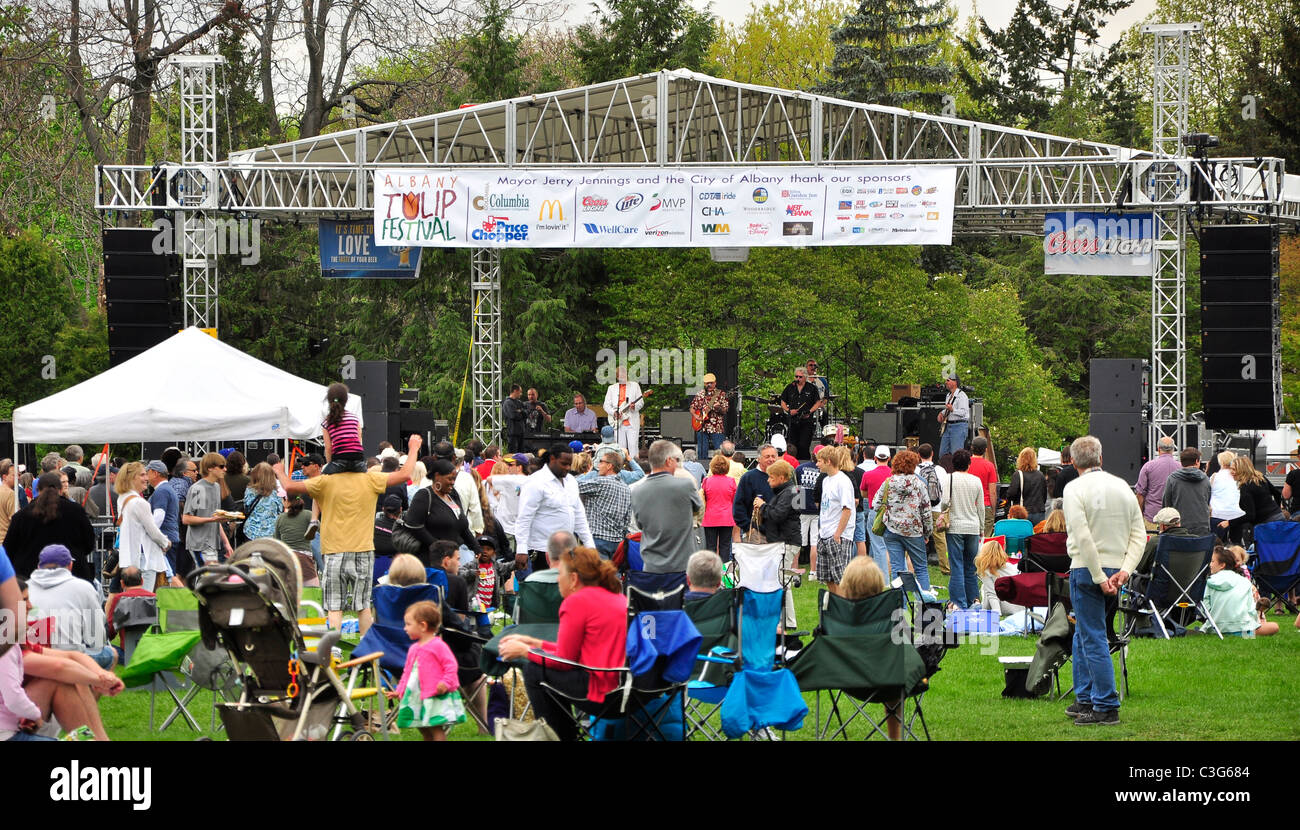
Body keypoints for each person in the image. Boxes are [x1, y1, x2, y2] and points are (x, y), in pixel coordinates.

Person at [274, 432, 422, 634]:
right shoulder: (370, 479)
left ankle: (332, 652)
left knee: (335, 608)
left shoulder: (325, 481)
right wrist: (413, 447)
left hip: (334, 551)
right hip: (363, 550)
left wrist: (279, 470)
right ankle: (367, 653)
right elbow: (405, 474)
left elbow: (290, 486)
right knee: (363, 607)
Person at [497, 547, 627, 742]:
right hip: (625, 689)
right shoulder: (617, 596)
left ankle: (560, 737)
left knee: (534, 671)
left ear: (574, 579)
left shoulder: (576, 602)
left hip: (599, 692)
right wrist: (535, 643)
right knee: (542, 666)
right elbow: (573, 655)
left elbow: (564, 662)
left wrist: (525, 652)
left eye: (560, 574)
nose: (558, 579)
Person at [1061, 435, 1145, 726]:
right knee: (1087, 633)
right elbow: (1139, 534)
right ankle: (1085, 697)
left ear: (1073, 462)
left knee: (1092, 636)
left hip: (1087, 569)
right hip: (1115, 568)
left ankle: (1106, 704)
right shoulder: (1123, 486)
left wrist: (1098, 576)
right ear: (1101, 457)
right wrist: (1126, 569)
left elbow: (1082, 536)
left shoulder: (1074, 488)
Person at [837, 555, 902, 740]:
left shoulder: (837, 618)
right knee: (895, 682)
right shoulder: (890, 618)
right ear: (879, 583)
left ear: (846, 584)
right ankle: (894, 737)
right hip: (886, 682)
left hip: (844, 679)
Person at [384, 600, 465, 740]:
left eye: (408, 624)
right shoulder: (413, 648)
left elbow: (451, 665)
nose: (405, 628)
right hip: (417, 694)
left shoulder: (438, 646)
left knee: (435, 726)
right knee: (422, 726)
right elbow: (407, 672)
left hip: (434, 693)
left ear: (422, 626)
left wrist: (445, 682)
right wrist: (400, 690)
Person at [27, 545, 116, 669]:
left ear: (38, 566)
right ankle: (98, 686)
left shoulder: (23, 588)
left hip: (31, 656)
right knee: (111, 654)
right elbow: (97, 638)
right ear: (70, 565)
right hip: (70, 656)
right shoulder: (84, 588)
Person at [515, 445, 596, 571]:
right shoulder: (536, 482)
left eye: (570, 464)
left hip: (568, 550)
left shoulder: (571, 482)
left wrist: (590, 545)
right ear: (552, 459)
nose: (568, 468)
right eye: (564, 464)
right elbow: (524, 517)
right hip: (542, 550)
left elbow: (579, 516)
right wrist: (521, 549)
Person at [3, 472, 95, 579]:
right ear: (60, 489)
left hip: (31, 577)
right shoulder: (76, 511)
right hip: (71, 574)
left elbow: (9, 548)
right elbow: (89, 543)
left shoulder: (21, 516)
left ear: (38, 490)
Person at [631, 440, 704, 575]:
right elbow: (699, 508)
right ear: (669, 461)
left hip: (651, 567)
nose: (678, 464)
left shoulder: (636, 491)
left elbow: (640, 525)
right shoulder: (686, 485)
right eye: (677, 460)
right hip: (682, 567)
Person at [873, 449, 934, 595]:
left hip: (892, 530)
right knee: (920, 569)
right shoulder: (919, 484)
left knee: (897, 569)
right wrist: (928, 532)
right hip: (914, 531)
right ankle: (924, 609)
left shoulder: (888, 482)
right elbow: (926, 511)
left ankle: (900, 609)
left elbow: (875, 504)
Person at [753, 459, 801, 646]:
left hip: (786, 542)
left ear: (782, 477)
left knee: (781, 581)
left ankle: (787, 621)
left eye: (771, 477)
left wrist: (763, 507)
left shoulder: (789, 492)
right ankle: (787, 620)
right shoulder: (788, 491)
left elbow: (778, 515)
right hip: (783, 540)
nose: (768, 481)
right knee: (782, 581)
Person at [402, 459, 481, 566]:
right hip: (430, 561)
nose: (452, 482)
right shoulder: (424, 496)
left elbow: (463, 527)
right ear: (437, 476)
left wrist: (476, 547)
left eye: (454, 479)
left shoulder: (453, 495)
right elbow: (414, 526)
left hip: (452, 560)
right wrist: (439, 547)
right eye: (449, 478)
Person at [115, 462, 172, 590]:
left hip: (128, 556)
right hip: (144, 557)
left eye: (146, 474)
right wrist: (166, 543)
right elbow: (152, 530)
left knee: (131, 598)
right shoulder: (139, 502)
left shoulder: (122, 498)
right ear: (131, 478)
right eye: (142, 475)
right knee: (144, 599)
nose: (146, 478)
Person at [577, 450, 638, 560]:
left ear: (609, 466)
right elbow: (627, 519)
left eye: (601, 462)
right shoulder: (626, 488)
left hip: (597, 540)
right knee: (611, 575)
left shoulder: (601, 482)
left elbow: (573, 486)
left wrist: (585, 473)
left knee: (596, 575)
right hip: (617, 542)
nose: (598, 466)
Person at [1205, 547, 1279, 637]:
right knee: (1274, 626)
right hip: (1242, 629)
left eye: (1212, 561)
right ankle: (1246, 634)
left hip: (1216, 629)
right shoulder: (1244, 581)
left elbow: (1205, 608)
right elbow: (1251, 609)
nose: (1210, 565)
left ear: (1222, 565)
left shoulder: (1210, 581)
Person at [946, 449, 985, 612]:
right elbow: (981, 507)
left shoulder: (949, 479)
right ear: (969, 464)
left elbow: (943, 503)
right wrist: (982, 527)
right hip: (973, 526)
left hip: (955, 526)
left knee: (956, 565)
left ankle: (959, 602)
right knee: (971, 566)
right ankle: (974, 600)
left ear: (953, 464)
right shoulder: (976, 481)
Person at [815, 446, 856, 594]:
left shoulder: (843, 481)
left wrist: (837, 534)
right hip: (825, 534)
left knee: (841, 578)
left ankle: (844, 609)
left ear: (828, 461)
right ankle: (835, 608)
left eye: (819, 461)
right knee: (828, 577)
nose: (817, 464)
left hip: (839, 536)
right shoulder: (826, 480)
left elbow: (847, 509)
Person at [182, 453, 234, 567]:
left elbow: (214, 518)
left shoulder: (216, 487)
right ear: (210, 468)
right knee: (206, 577)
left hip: (212, 544)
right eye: (221, 466)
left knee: (209, 578)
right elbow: (186, 518)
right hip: (199, 543)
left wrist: (226, 543)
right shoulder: (197, 489)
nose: (224, 469)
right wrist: (211, 519)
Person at [1231, 455, 1285, 545]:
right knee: (1280, 551)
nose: (1231, 472)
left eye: (1234, 469)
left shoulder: (1246, 487)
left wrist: (1230, 522)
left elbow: (1250, 515)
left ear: (1242, 470)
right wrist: (1277, 508)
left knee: (1267, 553)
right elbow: (1277, 493)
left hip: (1266, 524)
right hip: (1279, 516)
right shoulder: (1260, 478)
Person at [104, 567, 156, 658]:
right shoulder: (155, 598)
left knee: (97, 649)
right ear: (142, 581)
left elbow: (111, 630)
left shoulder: (119, 599)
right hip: (151, 652)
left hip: (128, 653)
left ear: (122, 583)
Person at [1162, 447, 1212, 538]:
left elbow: (1166, 504)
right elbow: (1207, 500)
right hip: (1202, 528)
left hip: (1178, 528)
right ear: (1197, 461)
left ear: (1181, 462)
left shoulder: (1172, 479)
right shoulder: (1205, 479)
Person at [917, 444, 950, 576]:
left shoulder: (915, 470)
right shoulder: (941, 470)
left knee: (916, 537)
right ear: (932, 454)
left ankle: (914, 565)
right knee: (940, 540)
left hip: (919, 509)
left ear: (919, 455)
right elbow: (945, 489)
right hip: (936, 508)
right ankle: (946, 568)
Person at [319, 382, 367, 474]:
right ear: (345, 400)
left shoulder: (327, 422)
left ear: (329, 400)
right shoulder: (354, 418)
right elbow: (359, 441)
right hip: (357, 459)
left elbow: (328, 448)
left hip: (339, 460)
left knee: (323, 479)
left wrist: (330, 464)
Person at [732, 444, 777, 542]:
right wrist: (748, 527)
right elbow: (739, 505)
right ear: (759, 459)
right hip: (756, 535)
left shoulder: (781, 477)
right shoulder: (748, 478)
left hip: (778, 533)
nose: (771, 459)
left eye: (773, 456)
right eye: (767, 456)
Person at [1134, 436, 1179, 529]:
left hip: (1152, 517)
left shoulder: (1148, 467)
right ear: (1173, 449)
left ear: (1158, 449)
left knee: (1151, 542)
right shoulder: (1180, 467)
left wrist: (1139, 517)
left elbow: (1140, 494)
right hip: (1173, 519)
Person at [860, 444, 892, 574]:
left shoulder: (868, 475)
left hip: (875, 511)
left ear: (875, 458)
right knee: (891, 546)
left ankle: (883, 580)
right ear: (889, 458)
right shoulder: (894, 474)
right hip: (892, 512)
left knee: (878, 546)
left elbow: (863, 494)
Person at [779, 365, 822, 460]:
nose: (798, 378)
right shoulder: (790, 387)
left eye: (800, 377)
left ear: (805, 377)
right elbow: (782, 401)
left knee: (803, 445)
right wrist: (788, 410)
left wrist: (810, 411)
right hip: (793, 420)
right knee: (792, 445)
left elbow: (818, 402)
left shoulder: (811, 388)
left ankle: (804, 463)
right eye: (796, 376)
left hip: (806, 421)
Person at [274, 496, 318, 587]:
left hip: (287, 559)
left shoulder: (280, 518)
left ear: (286, 501)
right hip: (305, 560)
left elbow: (277, 542)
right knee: (312, 589)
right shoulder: (309, 515)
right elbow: (321, 530)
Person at [602, 367, 645, 458]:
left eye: (624, 375)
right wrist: (614, 412)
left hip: (631, 421)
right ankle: (620, 468)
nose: (623, 378)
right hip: (618, 422)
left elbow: (641, 403)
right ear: (617, 377)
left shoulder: (635, 386)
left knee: (633, 446)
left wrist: (634, 407)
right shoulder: (611, 388)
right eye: (621, 376)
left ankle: (635, 468)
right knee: (620, 448)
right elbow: (606, 405)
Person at [701, 452, 737, 561]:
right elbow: (734, 500)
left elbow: (704, 498)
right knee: (725, 547)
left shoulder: (707, 481)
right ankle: (724, 572)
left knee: (710, 547)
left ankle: (710, 571)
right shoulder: (731, 481)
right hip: (727, 517)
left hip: (710, 517)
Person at [795, 448, 824, 579]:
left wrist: (797, 507)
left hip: (802, 509)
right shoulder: (824, 472)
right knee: (814, 542)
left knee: (797, 542)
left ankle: (794, 569)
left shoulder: (800, 469)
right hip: (817, 510)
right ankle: (813, 572)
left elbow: (796, 489)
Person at [975, 539, 1024, 617]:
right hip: (1020, 606)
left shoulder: (986, 570)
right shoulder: (1011, 566)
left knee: (984, 589)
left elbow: (992, 594)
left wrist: (996, 613)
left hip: (1003, 607)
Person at [690, 372, 730, 460]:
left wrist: (718, 408)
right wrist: (696, 416)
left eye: (711, 383)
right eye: (707, 383)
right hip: (702, 427)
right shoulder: (700, 394)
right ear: (704, 383)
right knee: (702, 452)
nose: (709, 385)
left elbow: (725, 410)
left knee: (719, 451)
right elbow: (692, 408)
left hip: (716, 427)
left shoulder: (721, 394)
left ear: (715, 383)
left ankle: (720, 468)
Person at [241, 462, 283, 543]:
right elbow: (279, 510)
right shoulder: (276, 492)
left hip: (252, 531)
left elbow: (246, 507)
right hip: (271, 532)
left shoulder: (250, 490)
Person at [1006, 447, 1048, 524]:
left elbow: (1011, 493)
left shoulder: (1018, 474)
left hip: (1022, 512)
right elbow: (1044, 494)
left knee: (1022, 535)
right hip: (1039, 511)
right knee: (1038, 535)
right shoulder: (1040, 475)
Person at [968, 436, 999, 537]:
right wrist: (993, 510)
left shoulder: (966, 463)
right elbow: (992, 492)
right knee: (985, 540)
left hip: (969, 505)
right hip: (985, 505)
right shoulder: (990, 466)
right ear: (986, 449)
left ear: (972, 447)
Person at [937, 375, 970, 458]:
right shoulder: (948, 395)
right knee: (942, 453)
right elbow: (948, 409)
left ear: (955, 382)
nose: (946, 382)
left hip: (959, 426)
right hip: (948, 426)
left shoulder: (962, 396)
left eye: (948, 380)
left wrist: (953, 410)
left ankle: (957, 470)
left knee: (956, 454)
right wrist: (942, 413)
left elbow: (964, 412)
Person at [503, 384, 528, 452]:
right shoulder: (508, 402)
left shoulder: (519, 402)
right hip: (512, 433)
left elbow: (526, 413)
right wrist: (520, 413)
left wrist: (521, 411)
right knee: (513, 454)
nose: (521, 394)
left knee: (521, 453)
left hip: (521, 432)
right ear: (515, 391)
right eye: (520, 391)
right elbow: (513, 415)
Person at [0, 459, 16, 539]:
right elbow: (15, 520)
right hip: (6, 542)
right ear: (4, 477)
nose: (18, 478)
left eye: (18, 475)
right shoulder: (10, 494)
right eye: (14, 475)